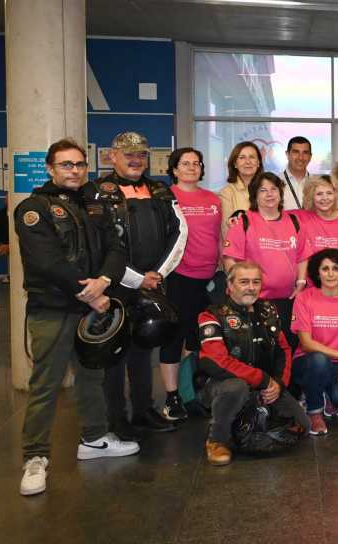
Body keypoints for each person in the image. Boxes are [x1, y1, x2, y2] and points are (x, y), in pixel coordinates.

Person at [15, 139, 137, 496]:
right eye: (66, 165)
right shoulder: (33, 209)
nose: (74, 171)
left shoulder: (94, 204)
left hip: (90, 306)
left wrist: (104, 282)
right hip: (53, 309)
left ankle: (94, 439)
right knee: (46, 385)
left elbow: (116, 248)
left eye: (80, 164)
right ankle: (35, 457)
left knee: (90, 377)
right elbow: (46, 262)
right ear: (50, 168)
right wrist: (91, 292)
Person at [83, 131, 186, 437]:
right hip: (114, 285)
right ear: (112, 156)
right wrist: (136, 278)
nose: (135, 160)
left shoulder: (160, 190)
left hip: (153, 284)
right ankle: (115, 418)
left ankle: (143, 411)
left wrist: (158, 274)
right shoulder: (96, 192)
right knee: (114, 355)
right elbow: (99, 245)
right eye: (128, 154)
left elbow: (180, 231)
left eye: (141, 154)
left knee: (143, 351)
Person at [197, 261, 306, 466]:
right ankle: (217, 438)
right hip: (223, 385)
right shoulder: (211, 315)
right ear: (230, 285)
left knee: (302, 425)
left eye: (256, 282)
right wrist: (263, 380)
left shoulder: (268, 311)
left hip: (264, 386)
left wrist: (278, 384)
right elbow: (216, 360)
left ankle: (242, 420)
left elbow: (283, 350)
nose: (251, 287)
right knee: (236, 388)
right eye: (244, 282)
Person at [162, 147, 222, 422]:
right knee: (174, 337)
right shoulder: (166, 198)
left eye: (196, 163)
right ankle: (172, 396)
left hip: (207, 278)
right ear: (174, 169)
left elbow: (216, 236)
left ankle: (190, 392)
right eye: (185, 163)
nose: (191, 167)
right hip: (178, 277)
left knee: (197, 338)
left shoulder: (212, 199)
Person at [291, 249, 338, 436]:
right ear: (317, 273)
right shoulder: (304, 298)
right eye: (325, 269)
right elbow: (306, 343)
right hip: (310, 362)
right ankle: (314, 411)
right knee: (319, 360)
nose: (331, 274)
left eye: (335, 268)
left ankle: (322, 392)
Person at [222, 171, 306, 332]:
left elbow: (302, 255)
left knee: (286, 344)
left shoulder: (294, 221)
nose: (269, 194)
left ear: (280, 193)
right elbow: (230, 259)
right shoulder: (243, 221)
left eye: (274, 189)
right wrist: (241, 289)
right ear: (255, 195)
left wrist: (301, 282)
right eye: (263, 190)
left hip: (288, 300)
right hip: (254, 301)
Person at [219, 141, 263, 235]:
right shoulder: (227, 192)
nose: (248, 161)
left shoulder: (269, 190)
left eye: (252, 157)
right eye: (242, 157)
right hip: (239, 244)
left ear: (258, 163)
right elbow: (227, 231)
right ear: (235, 164)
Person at [280, 135, 314, 212]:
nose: (300, 158)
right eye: (296, 152)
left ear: (310, 157)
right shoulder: (275, 182)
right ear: (287, 154)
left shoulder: (318, 183)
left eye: (305, 153)